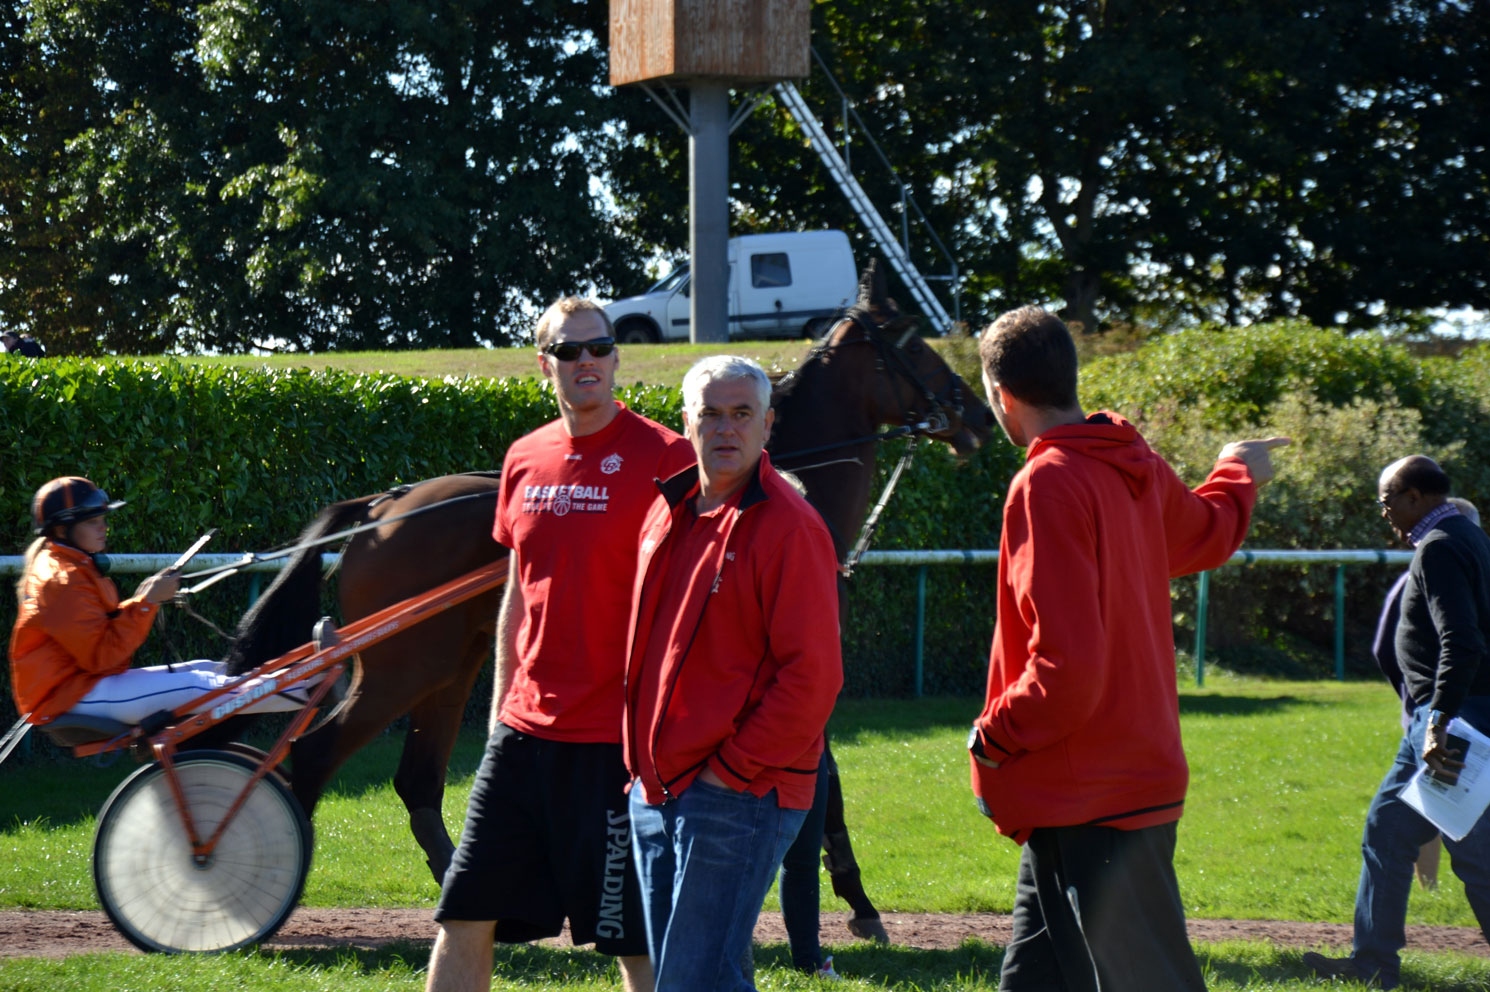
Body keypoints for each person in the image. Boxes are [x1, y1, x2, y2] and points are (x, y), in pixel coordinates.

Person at [966, 306, 1289, 992]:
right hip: (1099, 788)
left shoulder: (1046, 481)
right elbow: (1208, 529)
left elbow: (1067, 672)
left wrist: (992, 736)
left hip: (1093, 794)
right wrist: (1235, 468)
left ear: (1004, 396)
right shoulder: (1130, 464)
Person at [425, 297, 693, 992]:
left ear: (616, 357)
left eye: (599, 348)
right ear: (545, 364)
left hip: (614, 742)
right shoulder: (524, 457)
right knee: (463, 912)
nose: (587, 362)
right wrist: (495, 715)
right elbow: (520, 590)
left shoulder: (668, 457)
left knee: (634, 936)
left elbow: (701, 589)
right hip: (521, 735)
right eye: (570, 351)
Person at [624, 355, 844, 992]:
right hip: (657, 789)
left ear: (767, 424)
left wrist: (732, 773)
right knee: (694, 977)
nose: (726, 428)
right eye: (711, 414)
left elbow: (814, 678)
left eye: (742, 414)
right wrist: (639, 770)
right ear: (686, 423)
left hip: (737, 793)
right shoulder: (667, 510)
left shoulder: (791, 528)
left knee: (692, 981)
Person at [1304, 458, 1490, 990]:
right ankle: (1373, 965)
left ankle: (1373, 963)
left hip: (1453, 724)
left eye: (1388, 501)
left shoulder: (1439, 547)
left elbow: (1463, 640)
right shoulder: (1467, 536)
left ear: (1414, 496)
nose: (1385, 513)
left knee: (1475, 855)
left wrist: (1439, 720)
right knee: (1386, 832)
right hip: (1446, 720)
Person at [10, 476, 317, 727]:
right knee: (197, 686)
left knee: (213, 669)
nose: (103, 526)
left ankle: (304, 677)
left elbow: (99, 636)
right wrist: (147, 602)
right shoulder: (60, 579)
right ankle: (310, 688)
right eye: (93, 522)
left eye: (103, 518)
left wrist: (144, 598)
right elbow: (102, 656)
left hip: (82, 686)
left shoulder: (69, 567)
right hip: (67, 696)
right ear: (63, 530)